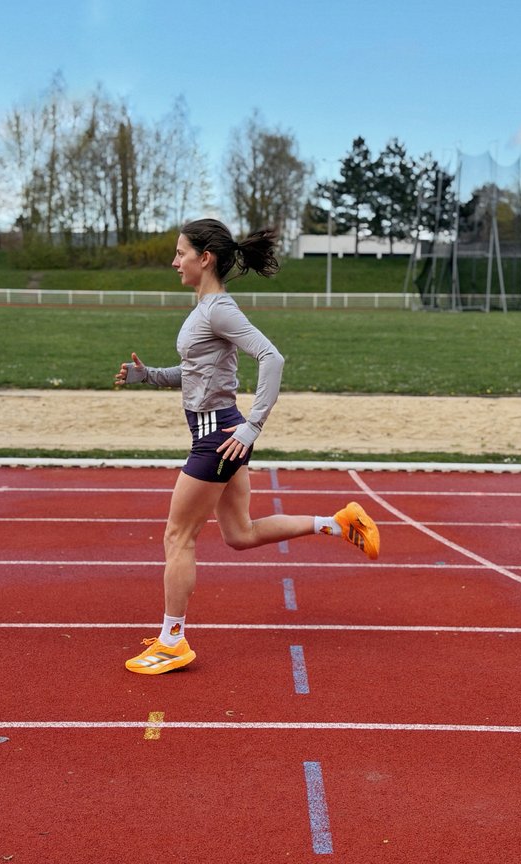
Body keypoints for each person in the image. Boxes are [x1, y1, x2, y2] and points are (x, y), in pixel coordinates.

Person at [115, 218, 380, 675]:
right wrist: (150, 376)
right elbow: (198, 373)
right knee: (240, 534)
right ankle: (335, 524)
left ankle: (171, 640)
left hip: (220, 437)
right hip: (222, 431)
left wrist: (253, 426)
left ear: (206, 258)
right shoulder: (204, 309)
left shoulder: (218, 309)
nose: (174, 261)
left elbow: (272, 357)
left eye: (181, 253)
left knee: (178, 537)